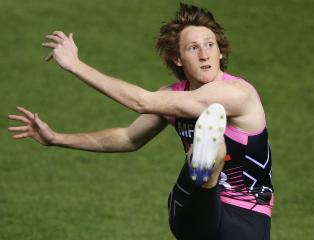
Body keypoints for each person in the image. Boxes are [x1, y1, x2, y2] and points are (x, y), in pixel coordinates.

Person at [8, 3, 274, 240]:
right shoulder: (172, 97)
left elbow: (141, 101)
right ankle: (207, 165)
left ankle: (207, 161)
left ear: (219, 52)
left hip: (245, 219)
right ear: (178, 58)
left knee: (208, 146)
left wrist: (76, 65)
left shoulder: (237, 94)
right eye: (193, 48)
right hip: (192, 213)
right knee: (209, 158)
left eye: (210, 44)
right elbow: (128, 138)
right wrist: (56, 139)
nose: (204, 54)